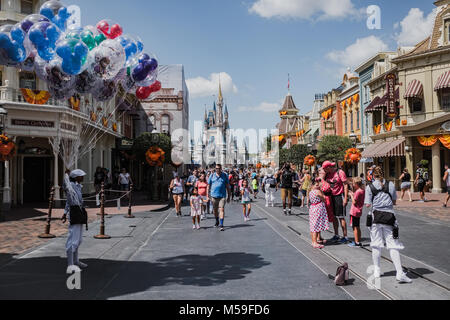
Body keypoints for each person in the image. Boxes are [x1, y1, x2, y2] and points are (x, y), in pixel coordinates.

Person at [365, 167, 412, 283]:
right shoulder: (390, 185)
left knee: (376, 245)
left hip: (375, 218)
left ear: (372, 175)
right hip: (389, 217)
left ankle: (377, 271)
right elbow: (394, 201)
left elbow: (367, 204)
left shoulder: (369, 187)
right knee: (393, 245)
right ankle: (399, 273)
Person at [62, 169, 88, 273]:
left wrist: (64, 212)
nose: (83, 177)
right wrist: (66, 175)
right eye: (81, 176)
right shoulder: (71, 185)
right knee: (72, 239)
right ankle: (70, 264)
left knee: (78, 239)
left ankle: (76, 261)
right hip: (75, 212)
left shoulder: (77, 186)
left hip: (79, 211)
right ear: (76, 177)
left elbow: (69, 201)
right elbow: (65, 187)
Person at [323, 161, 349, 244]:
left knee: (341, 216)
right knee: (334, 216)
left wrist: (345, 198)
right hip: (330, 197)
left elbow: (345, 185)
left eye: (325, 168)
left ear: (328, 167)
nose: (324, 170)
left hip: (339, 196)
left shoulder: (340, 172)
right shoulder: (327, 174)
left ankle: (345, 236)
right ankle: (336, 234)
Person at [207, 164, 231, 231]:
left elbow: (227, 186)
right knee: (215, 211)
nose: (218, 169)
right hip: (213, 196)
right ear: (215, 169)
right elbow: (208, 185)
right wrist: (207, 195)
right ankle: (217, 220)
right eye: (217, 168)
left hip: (222, 196)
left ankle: (221, 224)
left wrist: (229, 196)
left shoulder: (224, 175)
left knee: (221, 209)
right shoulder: (212, 175)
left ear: (221, 169)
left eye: (219, 168)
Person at [308, 178, 329, 249]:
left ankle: (314, 241)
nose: (318, 186)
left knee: (313, 225)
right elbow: (324, 199)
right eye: (316, 185)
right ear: (312, 186)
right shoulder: (318, 191)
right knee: (316, 226)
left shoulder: (310, 191)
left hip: (313, 208)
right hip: (318, 208)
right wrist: (323, 195)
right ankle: (315, 242)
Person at [348, 177, 365, 247]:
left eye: (354, 183)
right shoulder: (362, 190)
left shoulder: (358, 192)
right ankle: (359, 240)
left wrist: (351, 195)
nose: (353, 185)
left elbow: (354, 202)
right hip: (359, 210)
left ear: (357, 184)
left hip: (354, 211)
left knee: (354, 227)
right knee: (357, 226)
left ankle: (356, 242)